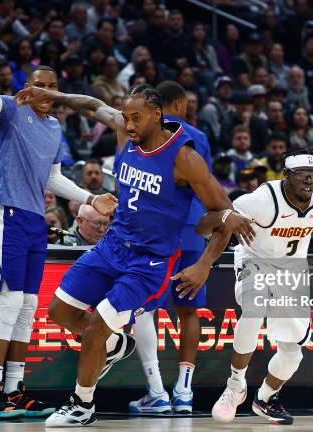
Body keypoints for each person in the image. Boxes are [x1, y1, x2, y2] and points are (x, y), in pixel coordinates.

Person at [13, 83, 256, 427]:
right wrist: (59, 97)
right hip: (112, 245)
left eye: (135, 118)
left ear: (157, 115)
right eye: (125, 117)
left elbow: (224, 214)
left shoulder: (185, 159)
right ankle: (114, 345)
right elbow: (95, 107)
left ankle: (82, 404)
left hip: (149, 262)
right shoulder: (128, 134)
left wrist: (204, 265)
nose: (128, 125)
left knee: (97, 323)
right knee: (58, 312)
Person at [0, 29, 118, 419]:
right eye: (41, 85)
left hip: (35, 217)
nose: (48, 92)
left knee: (29, 305)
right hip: (6, 211)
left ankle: (15, 390)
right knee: (11, 301)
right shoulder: (11, 109)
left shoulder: (55, 128)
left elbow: (52, 178)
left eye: (54, 87)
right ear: (28, 87)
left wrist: (90, 198)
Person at [195, 148, 313, 424]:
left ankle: (265, 398)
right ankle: (235, 385)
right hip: (256, 259)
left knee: (293, 352)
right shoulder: (262, 200)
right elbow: (203, 226)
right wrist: (225, 219)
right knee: (253, 311)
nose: (309, 181)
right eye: (302, 174)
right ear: (286, 175)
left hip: (293, 269)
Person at [128, 81, 214, 414]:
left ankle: (157, 392)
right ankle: (184, 391)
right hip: (193, 229)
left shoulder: (143, 132)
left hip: (158, 231)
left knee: (144, 309)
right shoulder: (199, 137)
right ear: (177, 102)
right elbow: (204, 185)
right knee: (189, 310)